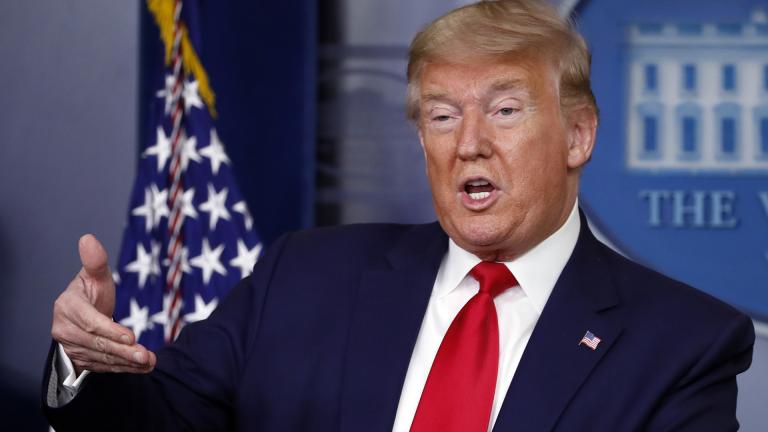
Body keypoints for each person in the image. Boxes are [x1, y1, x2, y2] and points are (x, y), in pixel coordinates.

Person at [43, 0, 755, 431]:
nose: (469, 143)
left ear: (579, 135)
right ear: (422, 139)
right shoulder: (304, 275)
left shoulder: (683, 344)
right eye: (443, 116)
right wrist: (85, 363)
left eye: (505, 111)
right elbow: (159, 426)